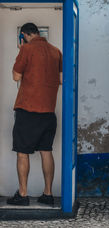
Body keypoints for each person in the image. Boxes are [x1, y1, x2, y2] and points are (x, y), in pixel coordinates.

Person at [7, 23, 62, 206]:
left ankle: (22, 195)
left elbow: (16, 76)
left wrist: (21, 51)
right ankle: (48, 194)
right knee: (46, 151)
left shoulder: (27, 49)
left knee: (23, 153)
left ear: (23, 35)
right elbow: (61, 79)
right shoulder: (56, 51)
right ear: (38, 33)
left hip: (28, 110)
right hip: (48, 112)